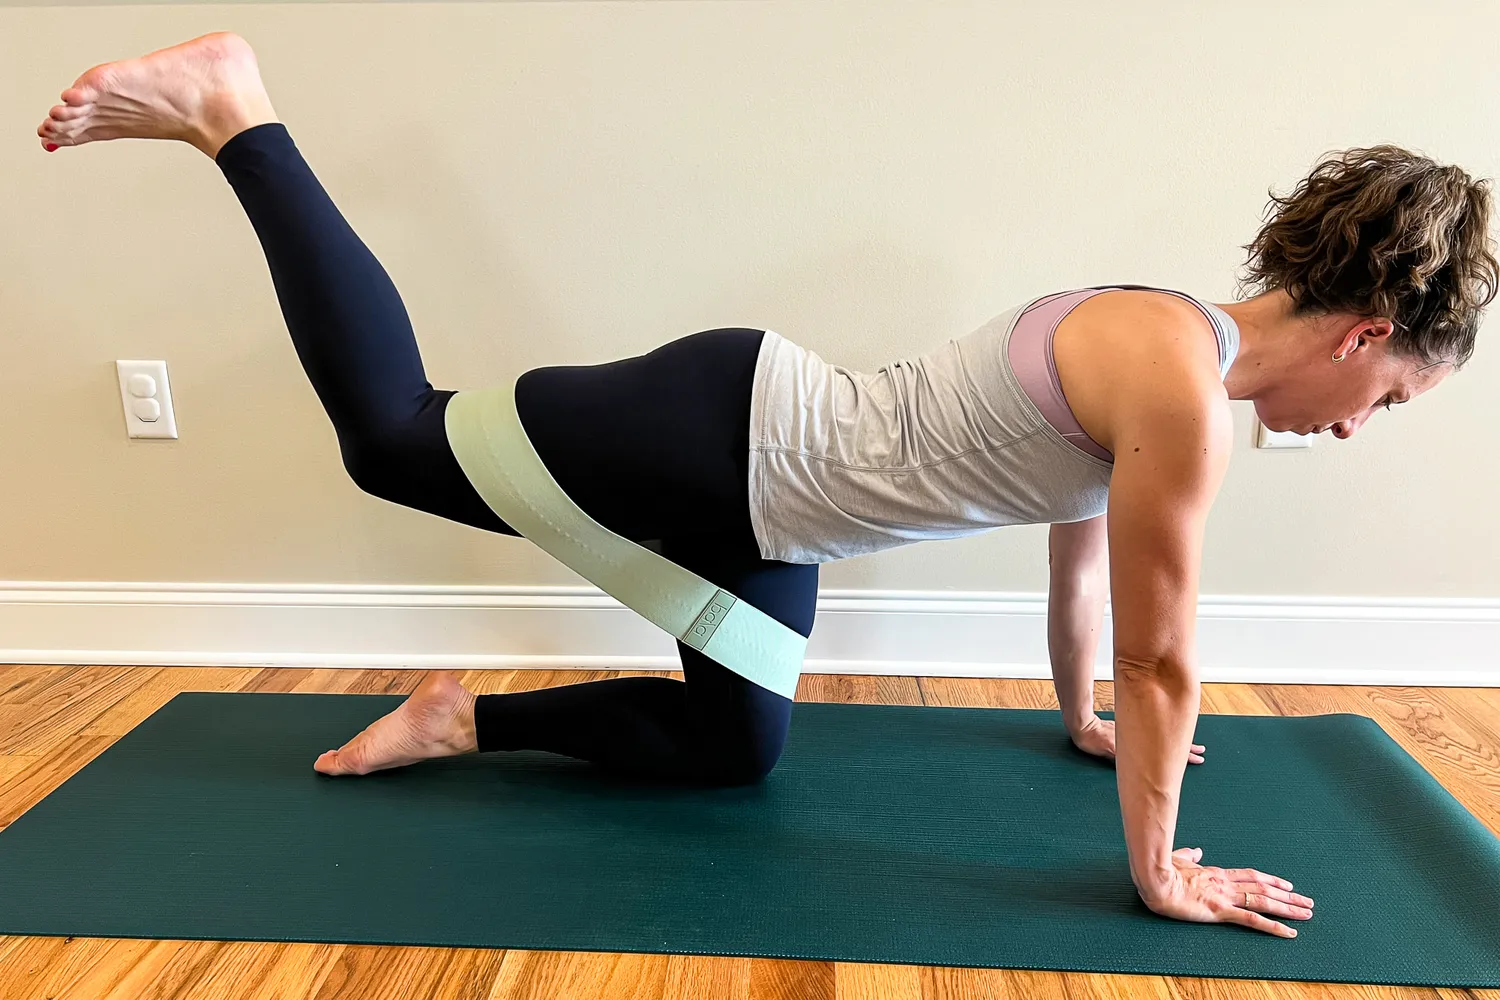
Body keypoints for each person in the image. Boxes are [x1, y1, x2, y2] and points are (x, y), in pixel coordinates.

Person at [38, 32, 1497, 939]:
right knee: (390, 437)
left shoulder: (1160, 343)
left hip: (771, 509)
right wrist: (1159, 868)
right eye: (1388, 400)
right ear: (1366, 335)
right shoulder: (1181, 391)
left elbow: (1079, 563)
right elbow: (1163, 653)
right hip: (726, 436)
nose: (1358, 429)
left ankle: (457, 718)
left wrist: (1076, 719)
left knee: (733, 748)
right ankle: (237, 114)